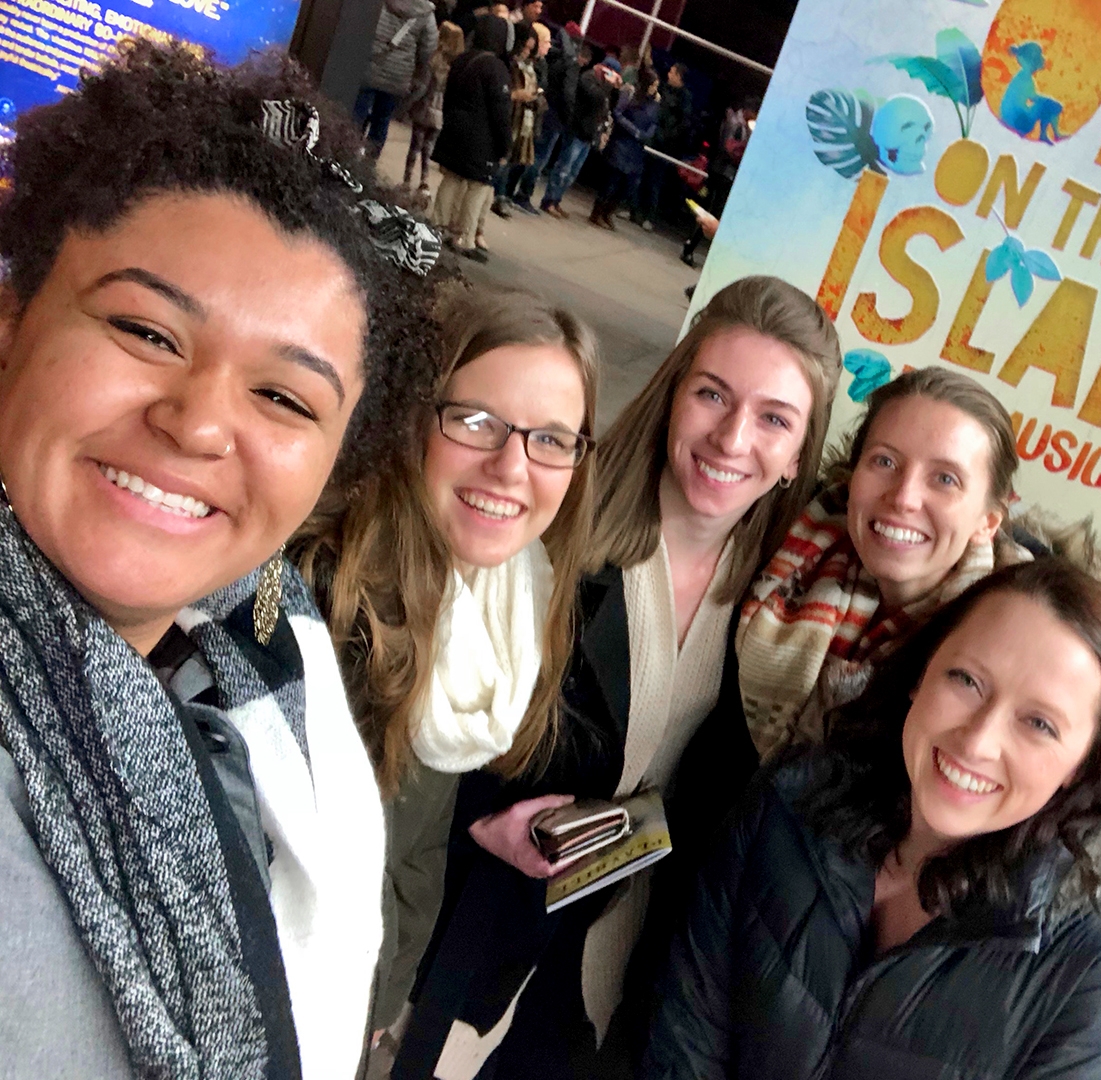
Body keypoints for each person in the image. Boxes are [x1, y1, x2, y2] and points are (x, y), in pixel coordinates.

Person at [0, 40, 442, 1079]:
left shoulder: (263, 660)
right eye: (146, 330)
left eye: (285, 397)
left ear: (333, 470)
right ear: (13, 320)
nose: (198, 424)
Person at [392, 276, 844, 1080]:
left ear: (798, 455)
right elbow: (425, 700)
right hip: (483, 923)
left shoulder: (788, 606)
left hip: (625, 977)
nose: (733, 438)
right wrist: (470, 821)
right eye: (712, 395)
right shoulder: (556, 531)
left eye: (775, 418)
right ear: (674, 394)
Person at [643, 558, 1101, 1079]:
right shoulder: (790, 802)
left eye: (1039, 723)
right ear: (920, 674)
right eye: (966, 681)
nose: (979, 740)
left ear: (1082, 766)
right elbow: (687, 1038)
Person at [292, 284, 599, 1072]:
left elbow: (401, 844)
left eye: (551, 439)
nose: (511, 465)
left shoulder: (507, 595)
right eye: (475, 421)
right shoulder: (328, 600)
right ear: (413, 416)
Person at [738, 367, 1031, 760]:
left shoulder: (1020, 645)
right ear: (852, 475)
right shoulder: (779, 546)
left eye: (945, 479)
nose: (904, 498)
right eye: (885, 462)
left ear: (987, 523)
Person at [430, 12, 512, 259]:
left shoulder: (462, 59)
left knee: (452, 178)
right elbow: (500, 114)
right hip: (481, 140)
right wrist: (505, 146)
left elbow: (448, 96)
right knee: (478, 186)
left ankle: (437, 227)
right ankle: (464, 238)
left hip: (454, 130)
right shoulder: (497, 69)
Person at [541, 55, 622, 219]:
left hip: (589, 134)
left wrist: (616, 90)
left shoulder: (606, 87)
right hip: (577, 130)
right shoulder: (588, 77)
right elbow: (595, 97)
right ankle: (548, 200)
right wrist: (608, 85)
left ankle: (557, 200)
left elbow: (609, 106)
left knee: (573, 172)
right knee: (564, 167)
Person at [355, 0, 440, 155]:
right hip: (398, 76)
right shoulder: (426, 13)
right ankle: (369, 161)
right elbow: (428, 49)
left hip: (369, 66)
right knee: (382, 119)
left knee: (357, 114)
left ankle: (346, 153)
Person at [510, 21, 575, 213]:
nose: (550, 45)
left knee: (529, 156)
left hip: (540, 114)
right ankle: (518, 193)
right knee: (533, 159)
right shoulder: (558, 64)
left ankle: (510, 192)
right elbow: (564, 93)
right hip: (542, 115)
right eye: (546, 42)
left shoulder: (547, 63)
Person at [680, 101, 753, 266]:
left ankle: (690, 245)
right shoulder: (739, 126)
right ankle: (690, 246)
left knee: (710, 210)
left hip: (718, 171)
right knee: (713, 213)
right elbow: (730, 149)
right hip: (724, 173)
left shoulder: (732, 119)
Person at [589, 67, 659, 230]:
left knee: (628, 185)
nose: (655, 89)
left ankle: (608, 212)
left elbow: (654, 122)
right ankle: (597, 212)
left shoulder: (654, 103)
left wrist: (646, 134)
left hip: (636, 149)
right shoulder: (630, 93)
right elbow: (618, 113)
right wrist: (633, 130)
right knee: (611, 182)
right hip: (621, 143)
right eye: (653, 85)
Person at [402, 20, 466, 196]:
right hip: (441, 110)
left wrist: (409, 103)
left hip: (426, 105)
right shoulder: (459, 66)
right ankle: (424, 179)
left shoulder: (434, 59)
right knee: (429, 146)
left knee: (415, 144)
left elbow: (423, 86)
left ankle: (407, 179)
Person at [490, 23, 543, 219]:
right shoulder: (507, 64)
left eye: (531, 48)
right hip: (507, 113)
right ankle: (496, 194)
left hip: (522, 117)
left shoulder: (530, 66)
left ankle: (500, 194)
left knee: (511, 158)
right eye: (525, 47)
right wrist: (515, 95)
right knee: (502, 157)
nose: (527, 52)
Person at [634, 62, 693, 231]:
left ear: (679, 76)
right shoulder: (663, 89)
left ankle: (649, 216)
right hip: (652, 137)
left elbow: (684, 123)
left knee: (655, 181)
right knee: (640, 175)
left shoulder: (685, 97)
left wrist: (667, 135)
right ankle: (633, 210)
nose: (668, 74)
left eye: (672, 72)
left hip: (666, 145)